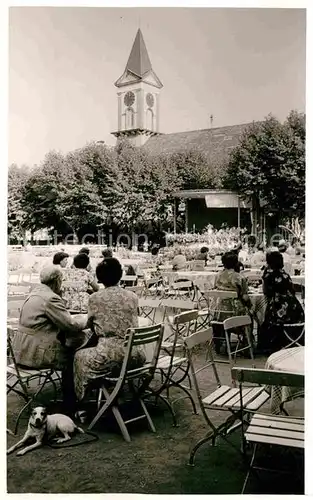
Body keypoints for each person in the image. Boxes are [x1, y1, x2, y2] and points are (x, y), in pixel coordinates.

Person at [12, 265, 88, 416]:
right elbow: (70, 325)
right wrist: (87, 320)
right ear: (57, 281)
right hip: (36, 354)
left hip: (21, 351)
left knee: (71, 346)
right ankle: (71, 403)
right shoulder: (50, 298)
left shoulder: (34, 294)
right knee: (75, 355)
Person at [73, 258, 146, 401]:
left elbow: (89, 324)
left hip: (110, 358)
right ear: (120, 275)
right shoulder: (132, 296)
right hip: (135, 355)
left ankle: (83, 402)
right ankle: (111, 389)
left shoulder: (95, 298)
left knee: (78, 356)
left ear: (100, 277)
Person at [258, 251, 304, 353]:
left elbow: (266, 292)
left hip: (279, 308)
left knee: (263, 319)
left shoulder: (268, 275)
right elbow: (291, 290)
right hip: (295, 309)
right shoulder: (285, 274)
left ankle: (267, 345)